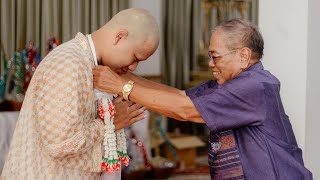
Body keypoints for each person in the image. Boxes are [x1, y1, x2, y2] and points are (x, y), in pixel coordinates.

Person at [92, 19, 313, 179]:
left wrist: (121, 86)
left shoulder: (255, 85)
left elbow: (185, 110)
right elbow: (179, 97)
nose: (210, 64)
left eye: (215, 56)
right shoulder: (231, 83)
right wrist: (122, 74)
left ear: (243, 56)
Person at [1, 8, 159, 179]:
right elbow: (60, 144)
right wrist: (110, 123)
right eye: (135, 57)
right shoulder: (69, 62)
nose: (134, 67)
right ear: (119, 37)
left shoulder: (92, 64)